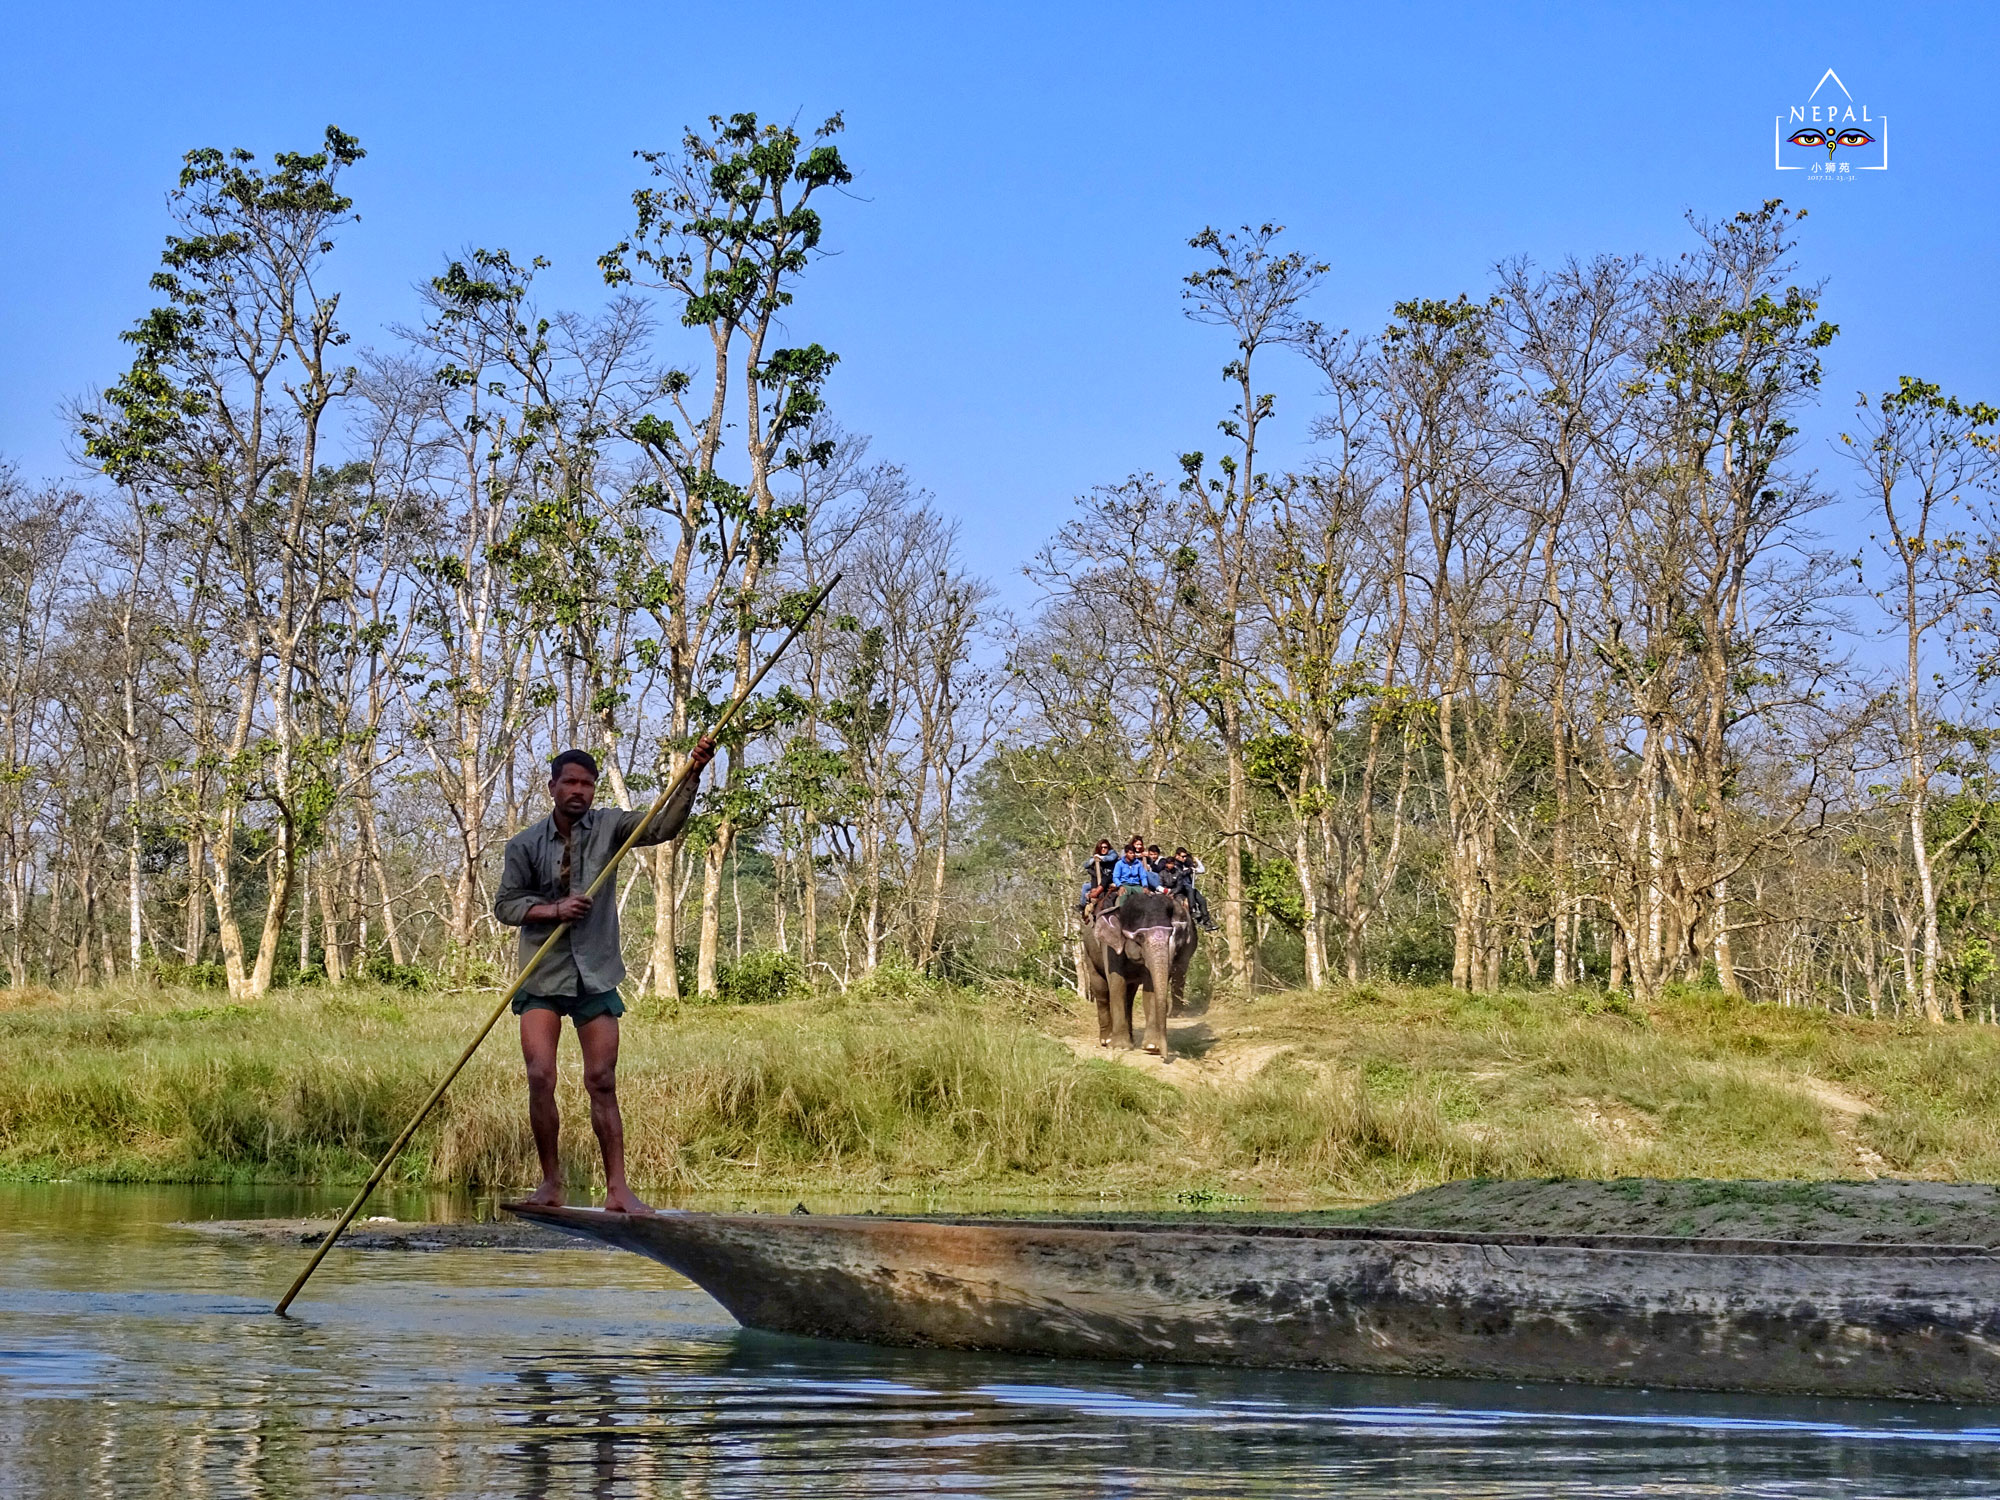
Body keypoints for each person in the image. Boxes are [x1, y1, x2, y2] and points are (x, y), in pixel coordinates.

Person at [494, 740, 714, 1213]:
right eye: (570, 782)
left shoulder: (612, 825)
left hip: (595, 973)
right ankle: (551, 1183)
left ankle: (618, 1189)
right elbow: (506, 906)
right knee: (540, 1076)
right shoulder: (524, 845)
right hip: (542, 976)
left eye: (587, 784)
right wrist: (553, 910)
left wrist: (691, 775)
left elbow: (661, 826)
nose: (580, 791)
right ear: (553, 787)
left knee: (602, 1080)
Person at [1079, 839, 1118, 916]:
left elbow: (1111, 858)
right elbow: (1086, 865)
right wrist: (1094, 859)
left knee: (1106, 877)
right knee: (1085, 886)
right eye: (1101, 847)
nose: (1103, 849)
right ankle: (1082, 907)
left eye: (1105, 847)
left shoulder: (1112, 853)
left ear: (1108, 847)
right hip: (1098, 881)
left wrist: (1101, 858)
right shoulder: (1096, 855)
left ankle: (1095, 893)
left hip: (1110, 878)